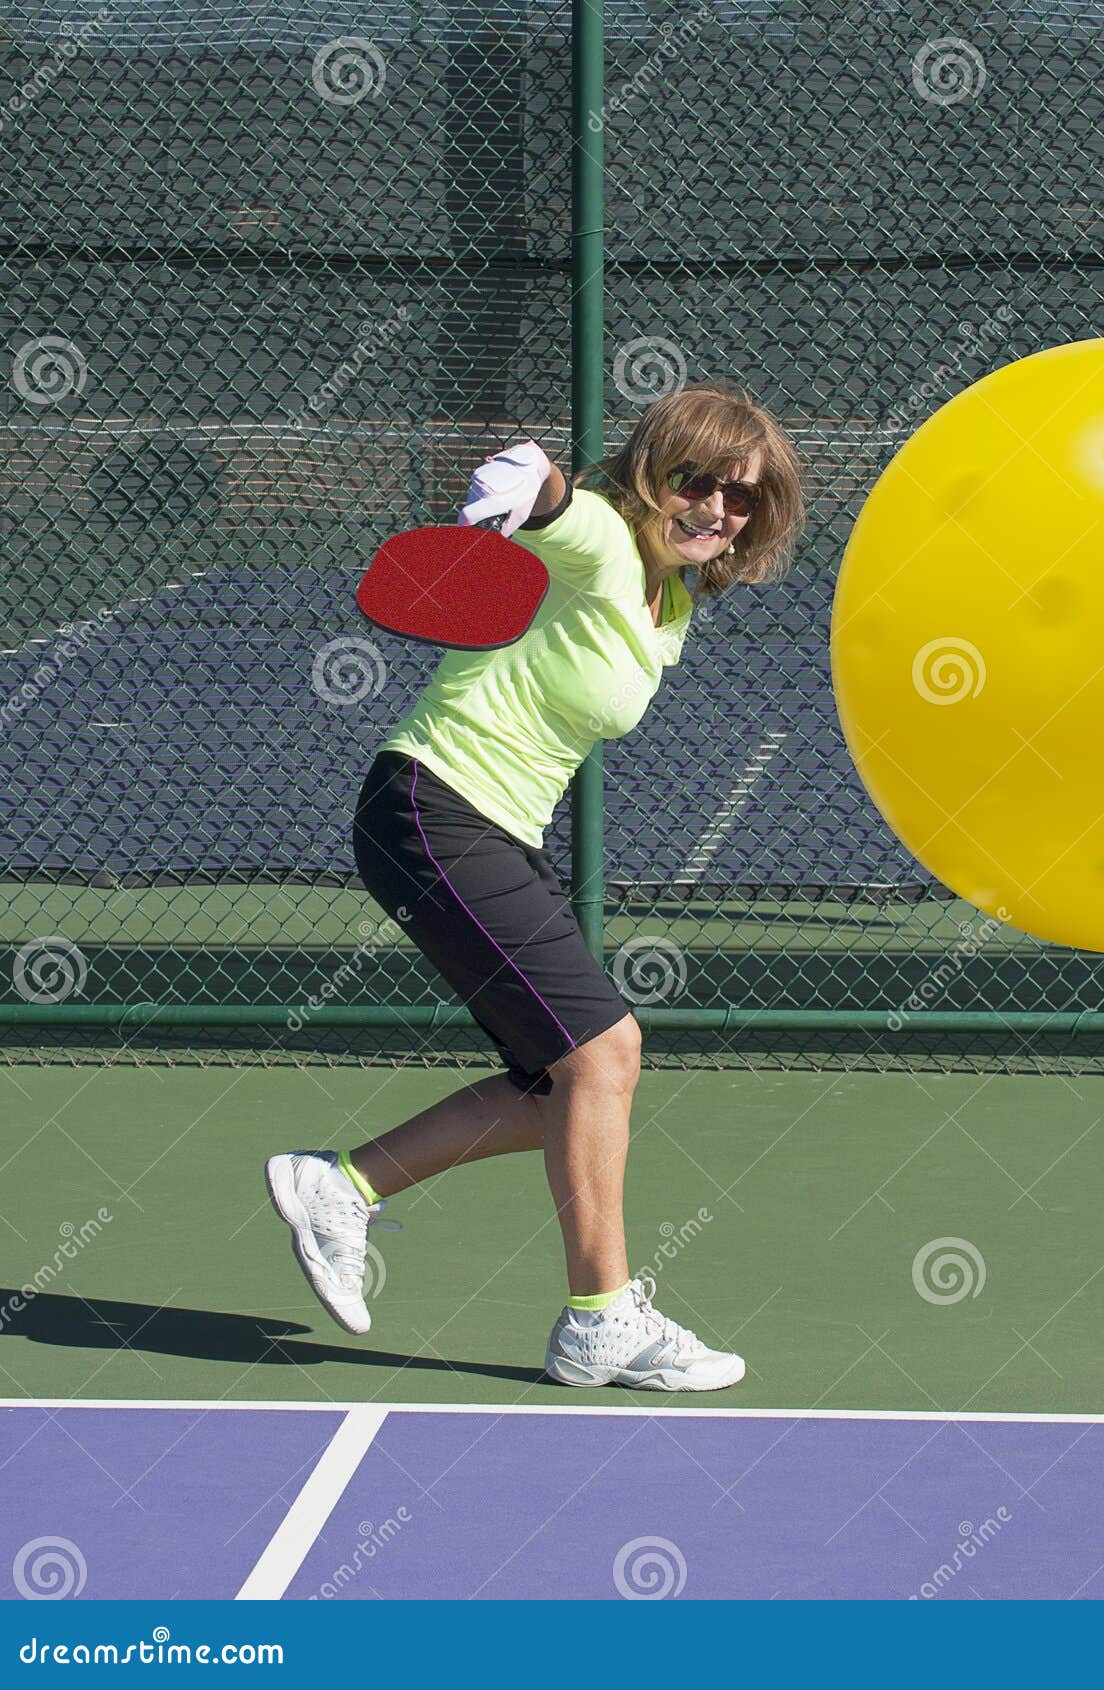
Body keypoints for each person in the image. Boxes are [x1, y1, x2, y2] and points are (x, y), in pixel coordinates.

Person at [265, 380, 804, 1390]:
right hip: (433, 808)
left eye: (742, 497)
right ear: (651, 477)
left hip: (497, 833)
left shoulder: (672, 601)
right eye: (696, 482)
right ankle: (599, 1319)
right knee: (607, 1056)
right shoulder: (601, 539)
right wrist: (524, 478)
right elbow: (556, 500)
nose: (718, 510)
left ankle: (339, 1186)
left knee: (554, 1088)